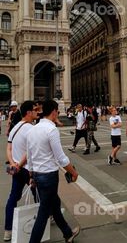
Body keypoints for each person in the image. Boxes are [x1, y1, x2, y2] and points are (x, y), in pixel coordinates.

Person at [25, 100, 81, 243]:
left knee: (55, 205)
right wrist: (73, 172)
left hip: (37, 174)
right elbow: (61, 158)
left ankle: (68, 233)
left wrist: (31, 174)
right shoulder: (51, 130)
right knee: (44, 213)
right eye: (57, 111)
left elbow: (29, 155)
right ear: (54, 111)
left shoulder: (32, 129)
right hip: (48, 176)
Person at [4, 101, 37, 241]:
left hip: (16, 169)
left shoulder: (15, 127)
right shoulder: (31, 129)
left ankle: (8, 230)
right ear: (28, 112)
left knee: (13, 197)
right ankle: (46, 218)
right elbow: (30, 152)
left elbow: (8, 148)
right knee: (42, 194)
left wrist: (13, 164)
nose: (37, 112)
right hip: (27, 169)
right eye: (35, 110)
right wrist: (20, 164)